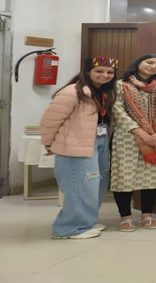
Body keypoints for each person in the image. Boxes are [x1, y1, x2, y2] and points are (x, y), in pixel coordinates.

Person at [40, 57, 118, 239]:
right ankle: (69, 228)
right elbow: (50, 120)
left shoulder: (105, 92)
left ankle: (85, 222)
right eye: (99, 71)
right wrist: (48, 142)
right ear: (87, 72)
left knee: (96, 185)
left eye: (110, 72)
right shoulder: (72, 92)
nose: (105, 75)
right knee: (80, 186)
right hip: (75, 144)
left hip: (99, 140)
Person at [111, 54, 156, 232]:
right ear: (139, 63)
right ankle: (125, 217)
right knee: (123, 177)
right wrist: (141, 133)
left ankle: (147, 215)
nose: (153, 66)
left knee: (152, 178)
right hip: (128, 138)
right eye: (149, 62)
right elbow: (117, 110)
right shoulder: (121, 85)